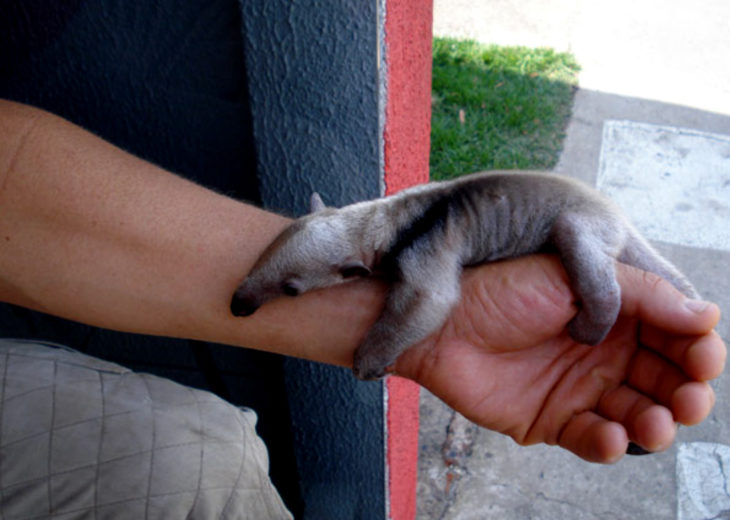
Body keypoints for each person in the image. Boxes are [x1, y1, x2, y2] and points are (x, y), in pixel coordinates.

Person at [0, 98, 725, 466]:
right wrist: (301, 298)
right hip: (522, 214)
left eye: (294, 288)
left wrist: (376, 351)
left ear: (353, 268)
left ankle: (598, 302)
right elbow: (343, 254)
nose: (263, 295)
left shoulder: (411, 253)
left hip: (580, 221)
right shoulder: (376, 225)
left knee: (600, 289)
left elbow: (432, 298)